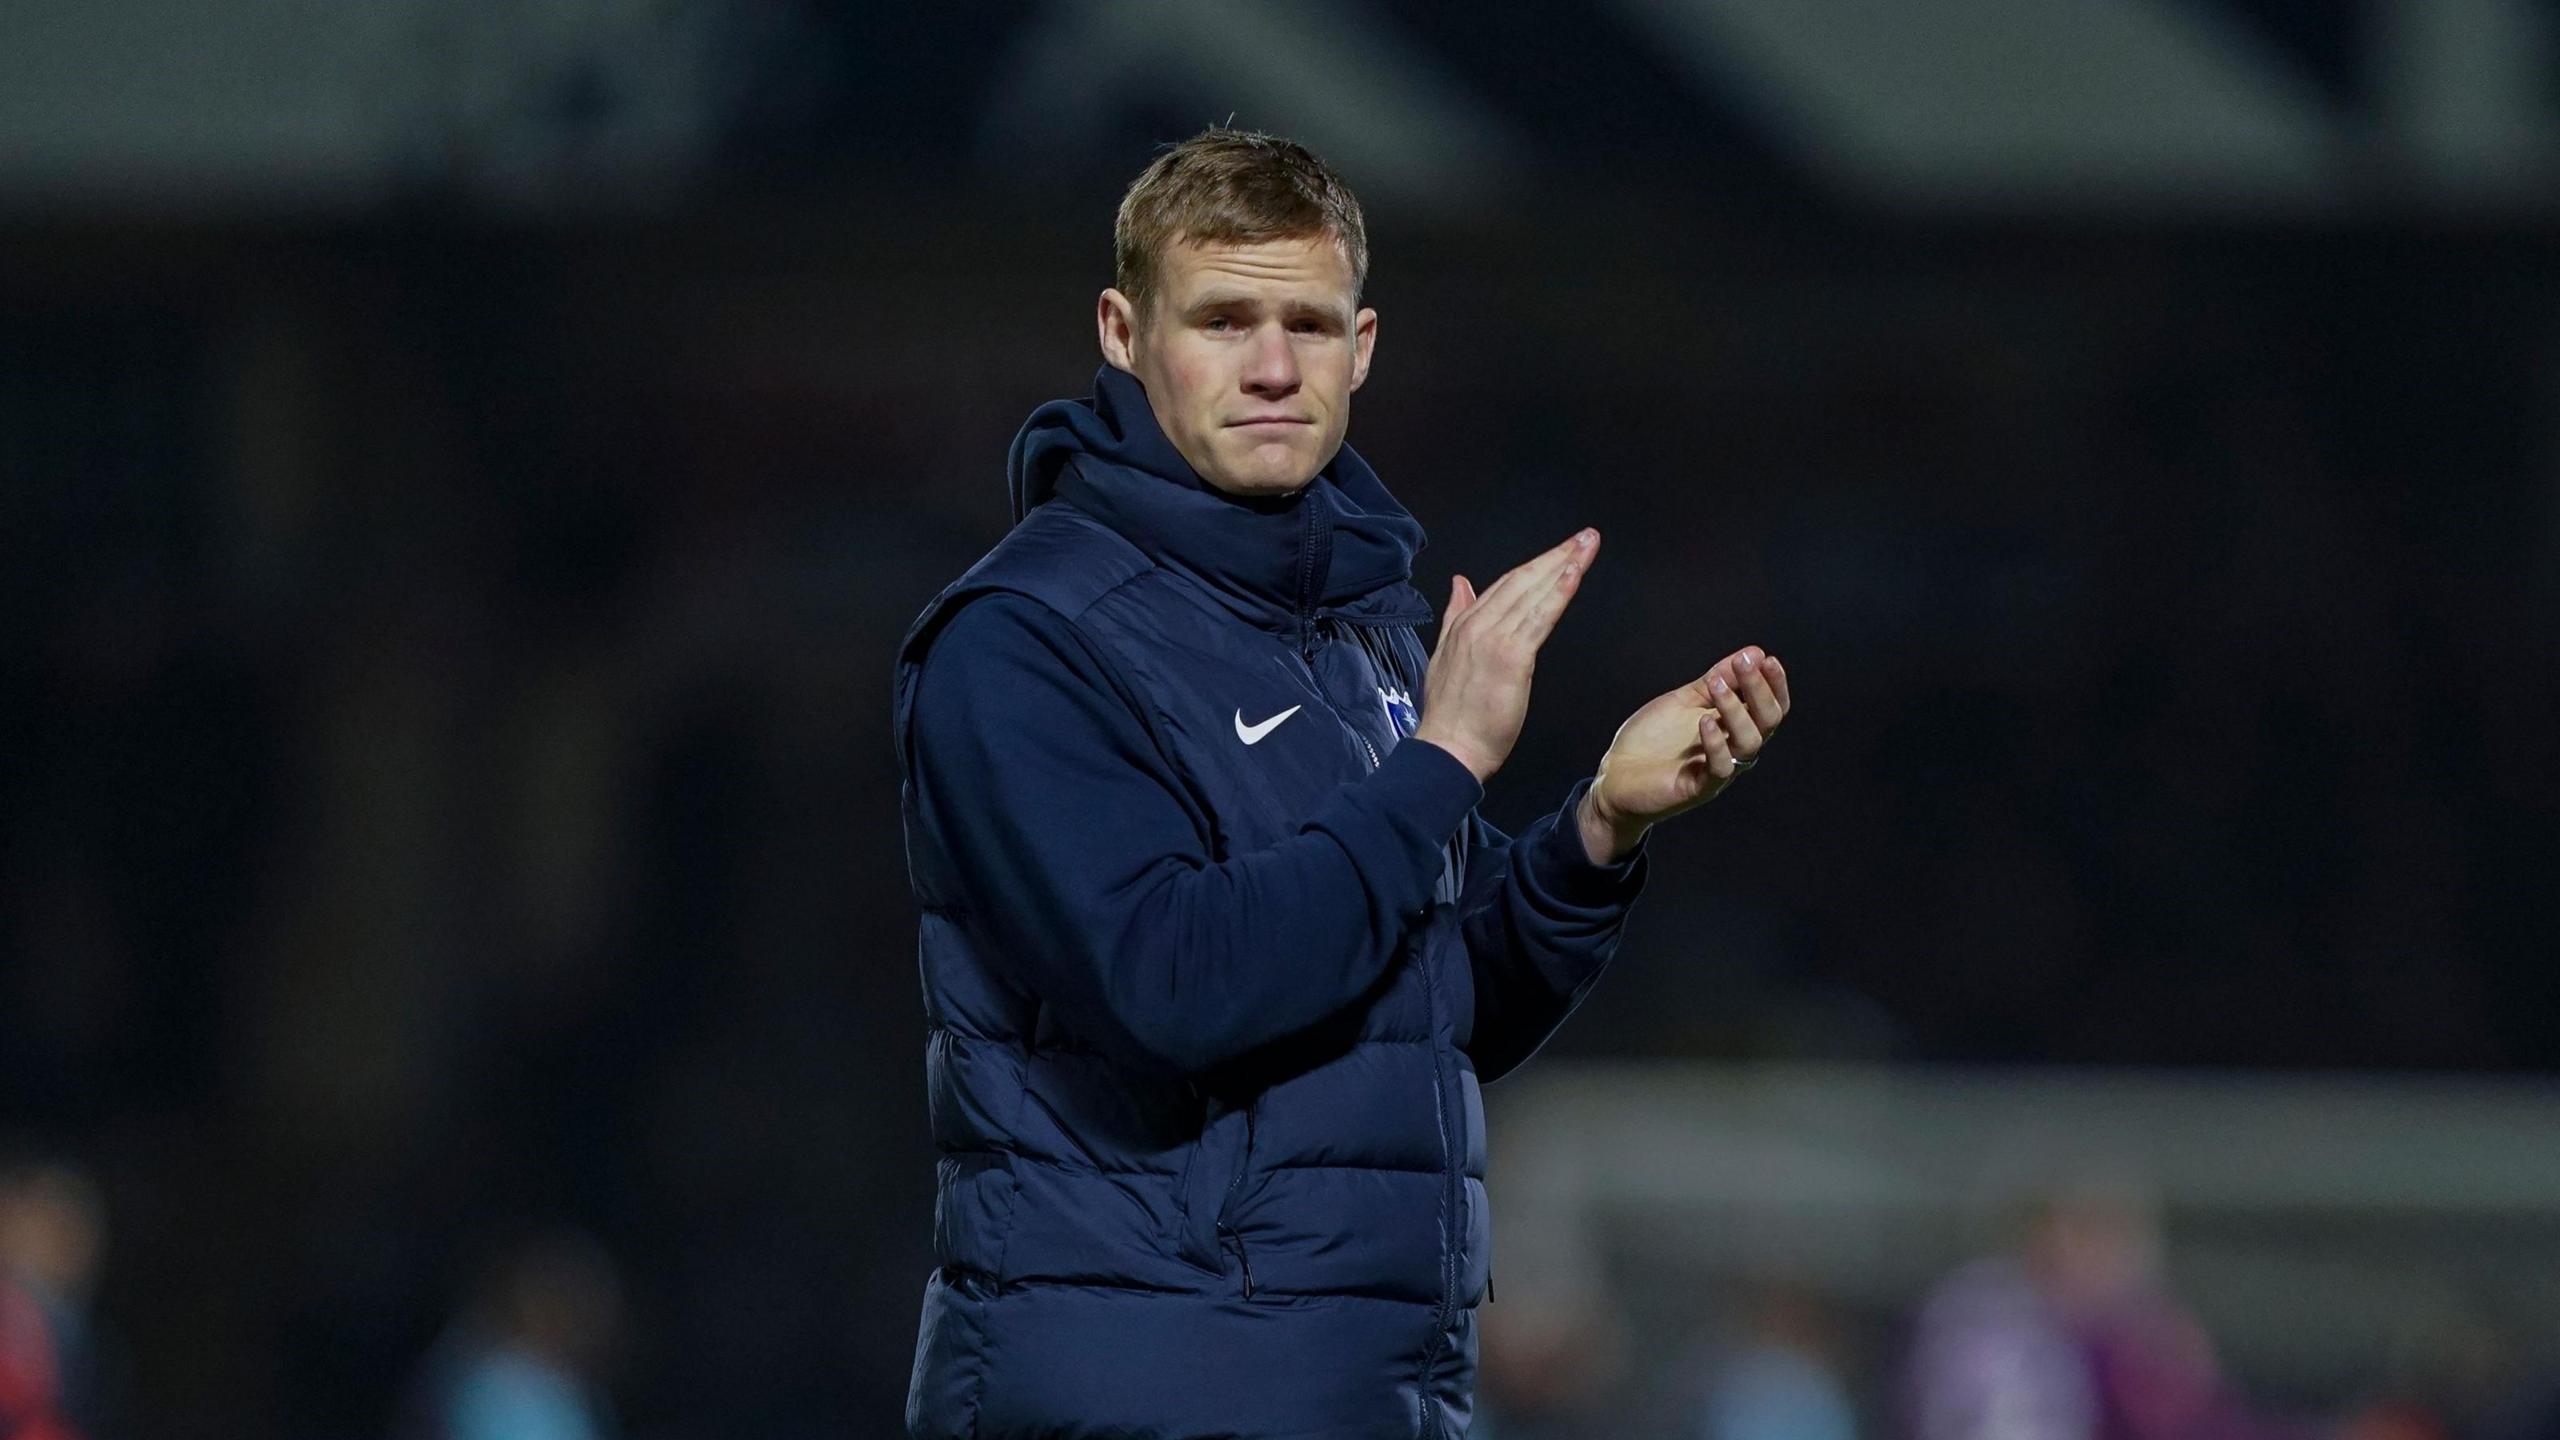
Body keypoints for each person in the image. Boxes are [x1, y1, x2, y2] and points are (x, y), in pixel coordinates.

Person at [892, 127, 1795, 1438]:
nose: (1272, 367)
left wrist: (1597, 827)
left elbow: (1432, 1005)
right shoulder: (1026, 639)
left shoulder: (1361, 626)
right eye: (1223, 319)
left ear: (1363, 349)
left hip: (1357, 1391)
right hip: (1148, 1393)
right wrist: (1443, 759)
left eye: (1308, 325)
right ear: (1121, 331)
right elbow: (1174, 982)